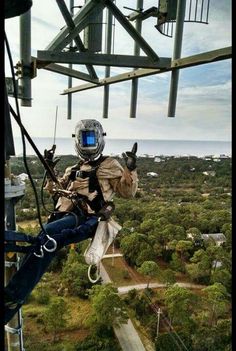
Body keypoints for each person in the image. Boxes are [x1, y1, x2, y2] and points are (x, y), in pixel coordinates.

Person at [4, 119, 138, 324]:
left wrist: (130, 169)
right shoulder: (72, 169)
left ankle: (12, 297)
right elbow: (54, 191)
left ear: (100, 139)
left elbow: (127, 192)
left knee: (47, 237)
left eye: (91, 138)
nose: (88, 143)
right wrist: (49, 170)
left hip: (87, 218)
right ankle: (16, 288)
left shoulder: (109, 165)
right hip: (66, 214)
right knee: (42, 240)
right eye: (85, 138)